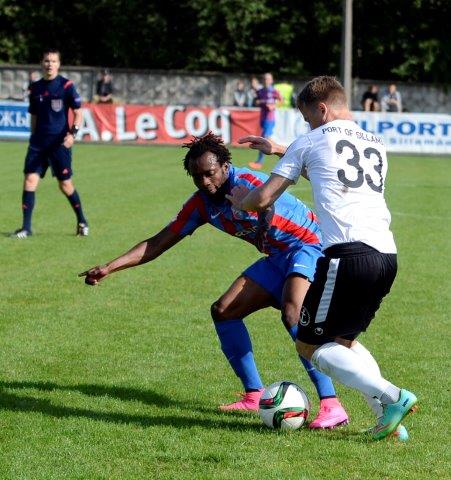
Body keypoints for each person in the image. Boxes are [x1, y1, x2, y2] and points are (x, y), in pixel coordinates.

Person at [80, 132, 349, 429]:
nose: (205, 182)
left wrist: (261, 220)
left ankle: (331, 405)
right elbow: (158, 242)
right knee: (224, 310)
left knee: (292, 313)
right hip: (278, 256)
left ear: (224, 166)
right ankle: (253, 394)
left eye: (210, 173)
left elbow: (266, 203)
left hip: (309, 244)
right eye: (197, 177)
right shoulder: (201, 205)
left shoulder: (245, 181)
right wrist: (110, 267)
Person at [228, 76, 417, 441]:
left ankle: (394, 396)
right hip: (386, 256)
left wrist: (241, 202)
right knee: (344, 341)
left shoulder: (310, 140)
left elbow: (263, 198)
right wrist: (279, 148)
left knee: (309, 344)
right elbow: (325, 162)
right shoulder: (375, 143)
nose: (307, 126)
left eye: (308, 118)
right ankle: (389, 422)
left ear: (323, 109)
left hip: (347, 255)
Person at [12, 48, 88, 238]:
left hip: (59, 145)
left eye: (53, 61)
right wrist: (33, 136)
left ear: (59, 64)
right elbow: (34, 115)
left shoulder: (66, 86)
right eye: (46, 61)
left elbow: (78, 113)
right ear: (41, 63)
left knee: (65, 185)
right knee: (30, 180)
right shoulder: (35, 88)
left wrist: (73, 135)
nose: (49, 64)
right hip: (38, 145)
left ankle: (82, 221)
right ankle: (26, 228)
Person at [249, 73, 281, 170]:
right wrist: (258, 102)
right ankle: (283, 153)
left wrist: (274, 106)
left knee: (264, 138)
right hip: (262, 118)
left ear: (271, 80)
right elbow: (256, 101)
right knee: (269, 139)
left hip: (270, 118)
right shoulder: (261, 91)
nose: (266, 81)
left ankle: (259, 162)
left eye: (268, 79)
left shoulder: (274, 91)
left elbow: (281, 100)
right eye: (264, 79)